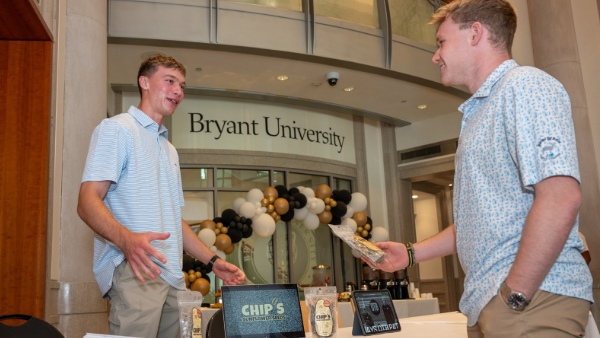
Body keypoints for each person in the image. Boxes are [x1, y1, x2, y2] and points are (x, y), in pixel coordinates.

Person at [366, 1, 593, 337]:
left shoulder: (524, 85)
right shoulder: (481, 111)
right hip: (495, 304)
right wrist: (410, 254)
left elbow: (561, 196)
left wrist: (516, 294)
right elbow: (478, 223)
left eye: (441, 42)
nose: (435, 55)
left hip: (531, 301)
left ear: (475, 33)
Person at [78, 54, 246, 338]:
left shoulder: (169, 149)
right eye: (169, 81)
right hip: (137, 271)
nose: (178, 90)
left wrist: (214, 262)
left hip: (173, 278)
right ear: (144, 82)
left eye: (182, 85)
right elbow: (86, 201)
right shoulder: (117, 129)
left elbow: (174, 222)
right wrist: (126, 241)